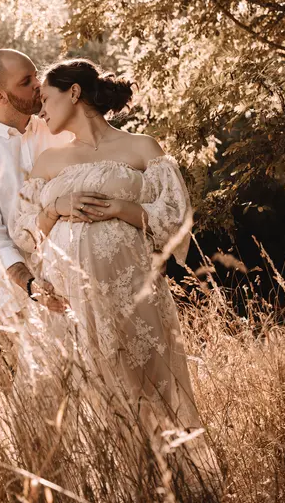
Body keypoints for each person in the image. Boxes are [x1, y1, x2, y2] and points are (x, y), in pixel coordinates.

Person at [11, 58, 202, 433]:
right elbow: (23, 235)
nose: (41, 109)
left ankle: (167, 483)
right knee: (92, 401)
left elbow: (177, 220)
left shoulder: (141, 147)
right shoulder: (49, 161)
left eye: (47, 99)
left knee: (146, 393)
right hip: (70, 301)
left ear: (75, 92)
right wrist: (54, 209)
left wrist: (123, 208)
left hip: (133, 292)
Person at [0, 49, 101, 322]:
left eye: (36, 75)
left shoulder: (62, 128)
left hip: (86, 284)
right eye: (25, 81)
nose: (38, 84)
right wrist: (32, 286)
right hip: (29, 305)